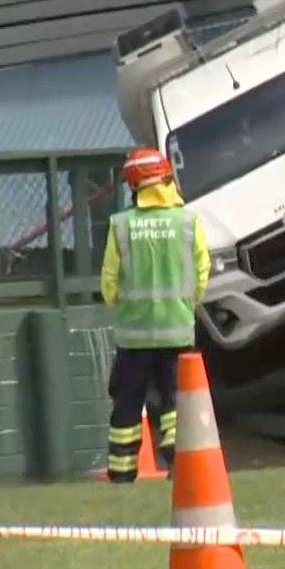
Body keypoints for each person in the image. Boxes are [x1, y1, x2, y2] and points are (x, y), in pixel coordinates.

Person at [99, 147, 209, 484]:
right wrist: (184, 307)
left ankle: (122, 475)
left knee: (127, 407)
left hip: (133, 336)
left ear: (134, 186)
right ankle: (180, 468)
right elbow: (202, 273)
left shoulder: (121, 225)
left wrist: (128, 308)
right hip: (177, 333)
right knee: (177, 406)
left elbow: (109, 284)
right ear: (165, 178)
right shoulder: (189, 221)